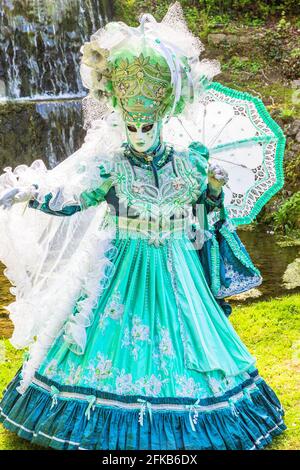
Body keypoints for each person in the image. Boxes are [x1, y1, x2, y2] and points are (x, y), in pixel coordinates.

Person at [0, 5, 285, 450]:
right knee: (107, 339)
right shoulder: (111, 165)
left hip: (176, 267)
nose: (136, 133)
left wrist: (212, 190)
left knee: (188, 339)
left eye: (145, 124)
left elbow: (208, 217)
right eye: (130, 124)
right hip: (122, 265)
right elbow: (74, 199)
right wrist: (31, 193)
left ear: (161, 118)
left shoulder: (191, 163)